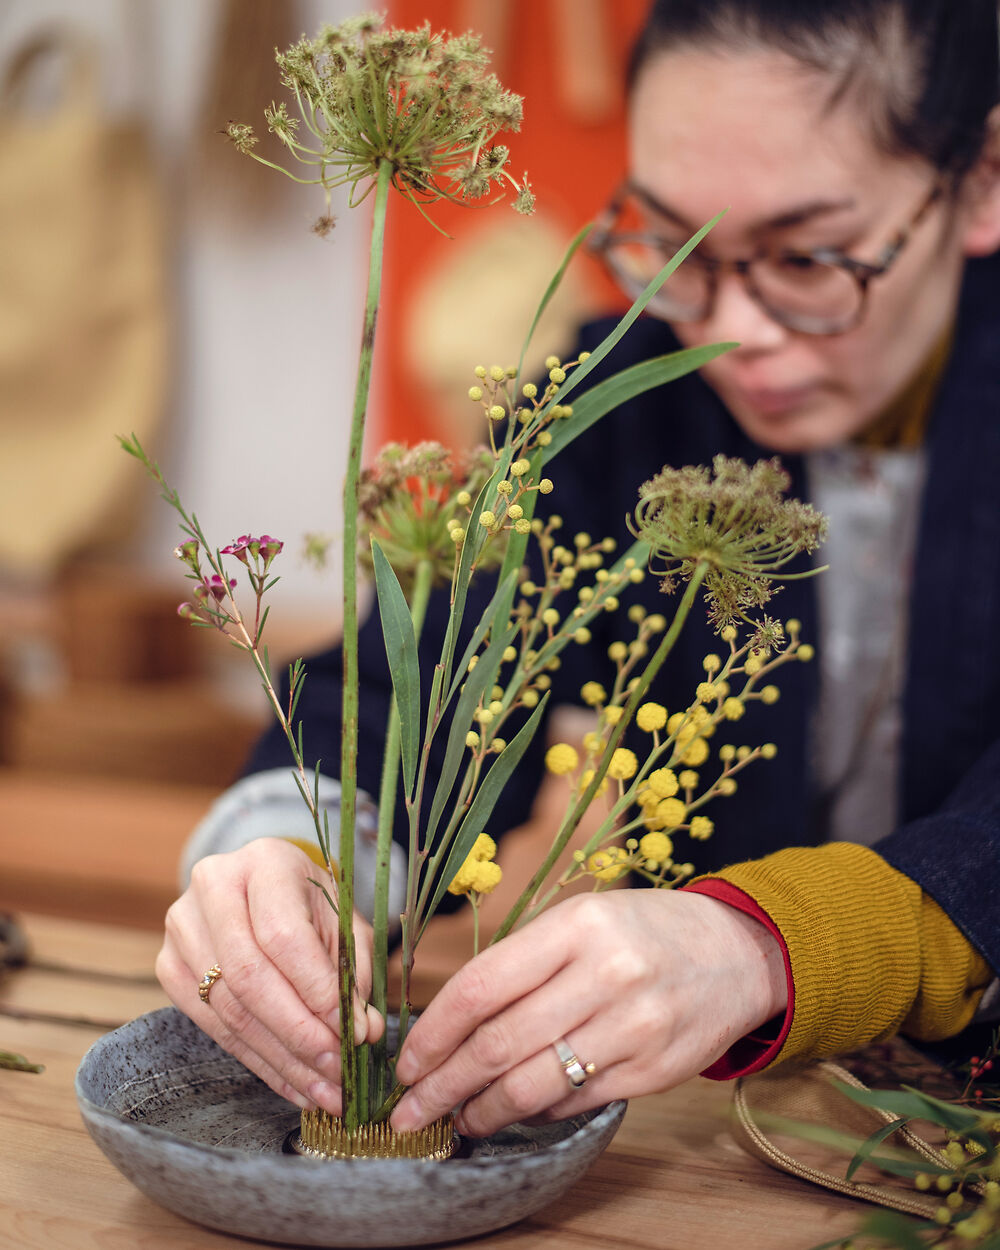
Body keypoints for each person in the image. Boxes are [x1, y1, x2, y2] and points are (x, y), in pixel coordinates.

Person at [157, 0, 1000, 1139]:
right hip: (724, 1138)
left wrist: (765, 941)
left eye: (805, 255)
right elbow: (421, 679)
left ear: (982, 178)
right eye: (672, 243)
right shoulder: (620, 391)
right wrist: (282, 857)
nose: (735, 331)